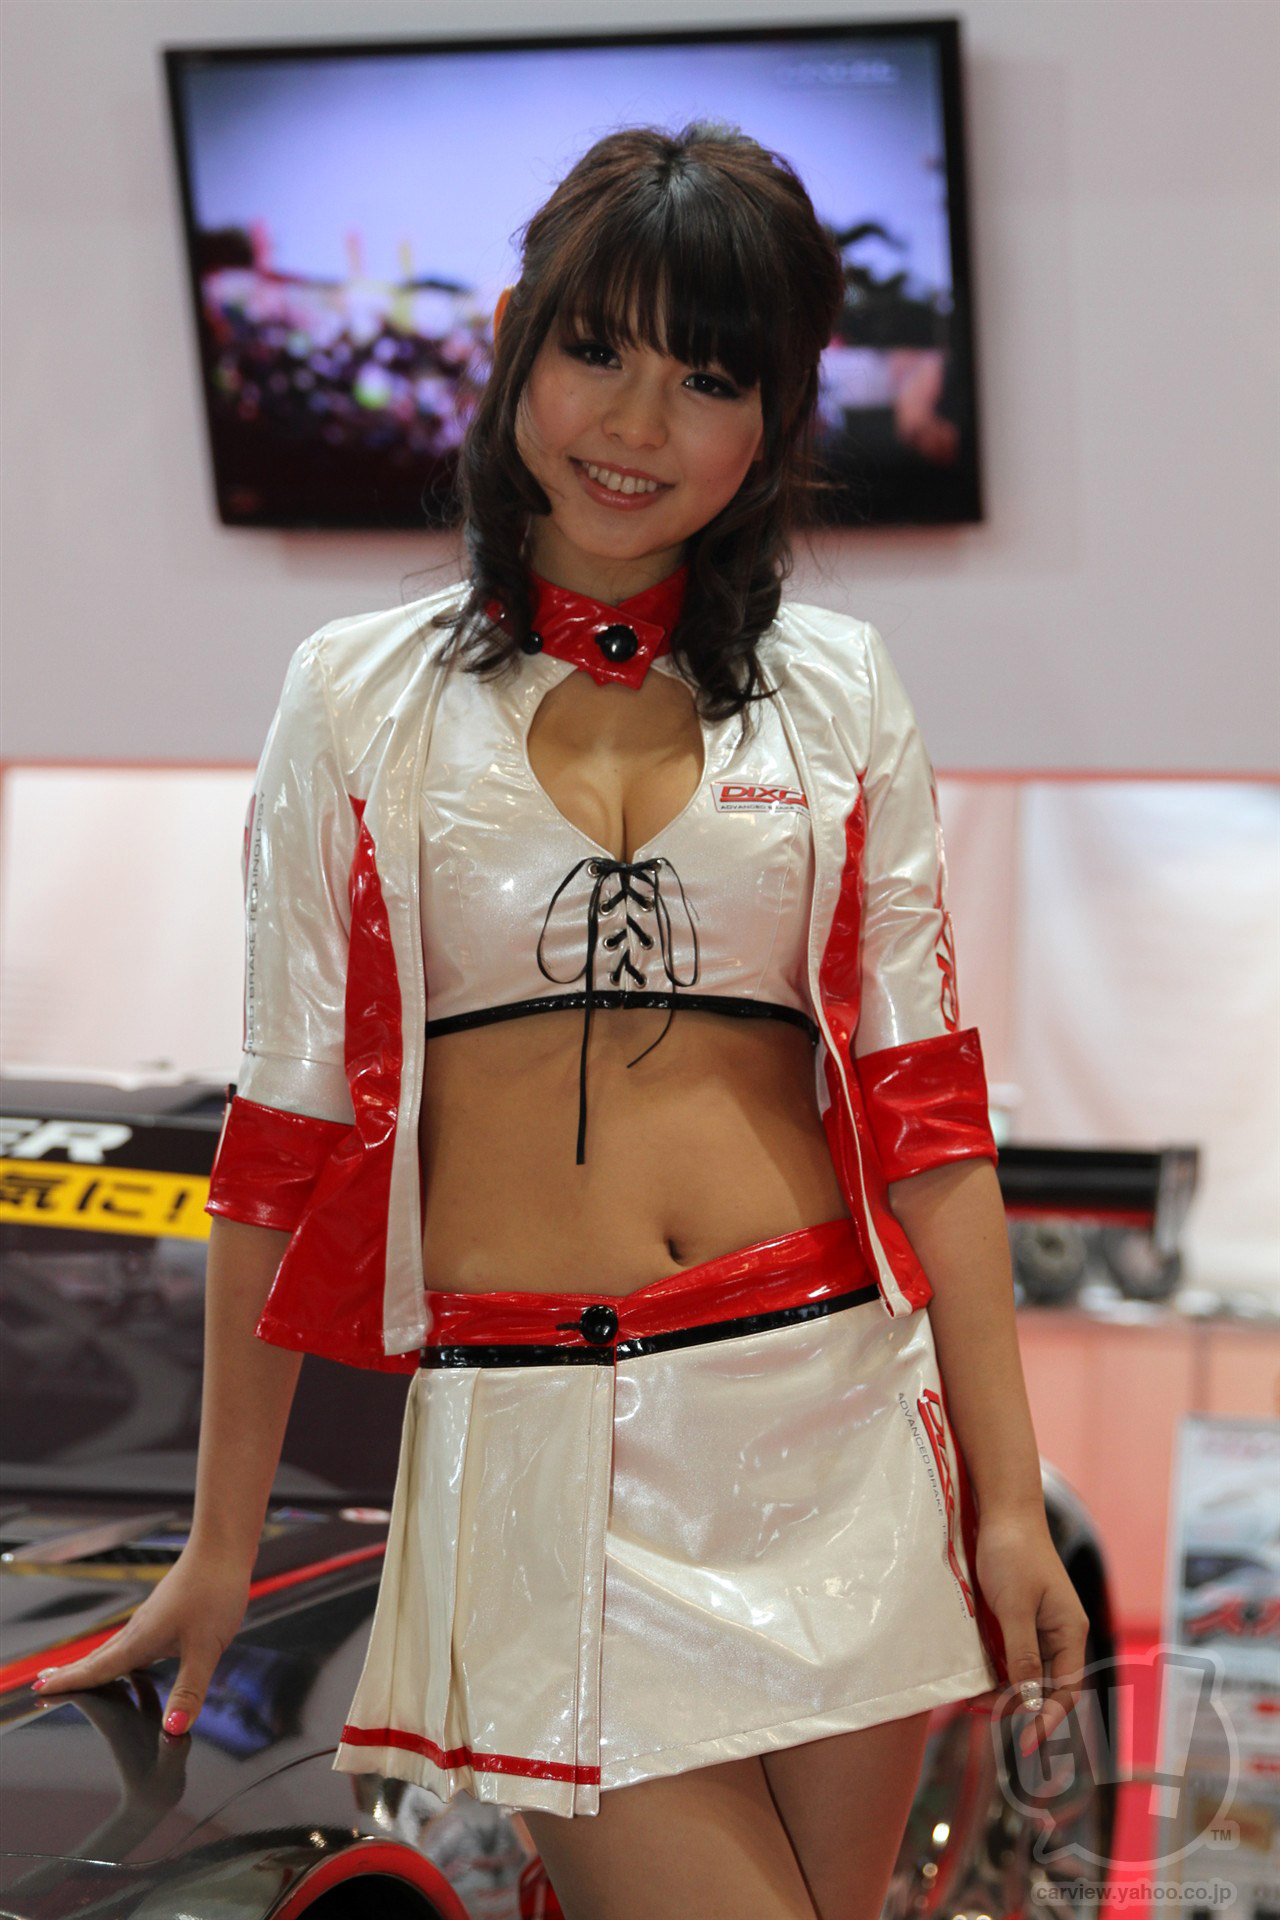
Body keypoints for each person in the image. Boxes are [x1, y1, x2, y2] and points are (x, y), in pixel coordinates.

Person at [34, 123, 1089, 1920]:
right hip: (532, 1442)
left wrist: (1003, 1499)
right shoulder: (354, 697)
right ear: (518, 341)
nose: (637, 422)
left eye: (708, 379)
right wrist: (220, 1541)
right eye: (598, 349)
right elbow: (282, 1131)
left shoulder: (838, 689)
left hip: (830, 1412)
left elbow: (925, 1110)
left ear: (771, 421)